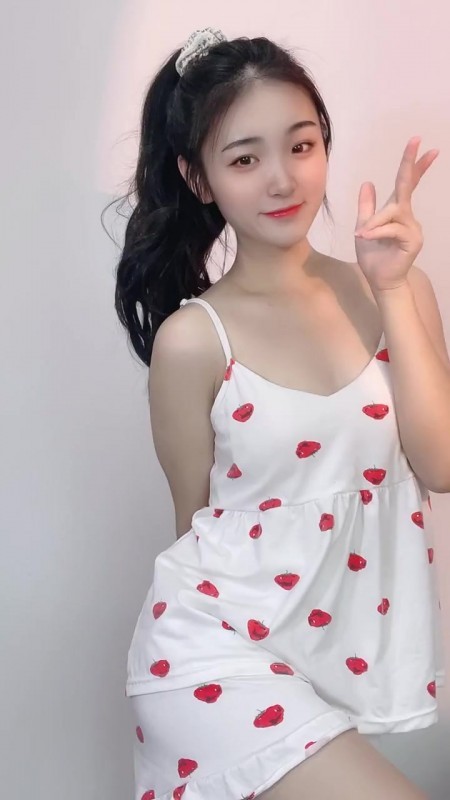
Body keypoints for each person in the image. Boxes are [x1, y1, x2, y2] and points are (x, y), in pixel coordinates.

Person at [108, 27, 447, 800]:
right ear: (199, 179)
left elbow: (441, 466)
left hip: (312, 664)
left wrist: (394, 288)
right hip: (208, 657)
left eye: (300, 146)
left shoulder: (399, 289)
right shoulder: (195, 341)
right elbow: (197, 528)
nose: (282, 179)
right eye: (243, 159)